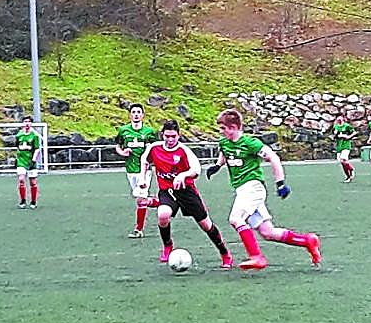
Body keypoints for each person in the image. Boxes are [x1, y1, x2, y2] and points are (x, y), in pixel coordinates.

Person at [206, 109, 321, 270]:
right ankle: (307, 241)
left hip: (253, 187)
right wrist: (217, 166)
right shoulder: (224, 142)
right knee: (268, 232)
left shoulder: (251, 143)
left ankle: (256, 257)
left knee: (236, 219)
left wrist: (280, 182)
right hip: (242, 190)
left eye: (223, 128)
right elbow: (225, 153)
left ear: (233, 127)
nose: (221, 132)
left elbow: (273, 157)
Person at [138, 120, 233, 268]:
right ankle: (168, 245)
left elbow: (196, 169)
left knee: (206, 225)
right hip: (167, 191)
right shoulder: (155, 148)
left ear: (179, 135)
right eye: (167, 136)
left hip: (186, 191)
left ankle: (225, 254)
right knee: (163, 214)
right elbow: (144, 161)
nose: (170, 140)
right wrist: (143, 178)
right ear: (162, 135)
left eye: (173, 136)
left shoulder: (183, 150)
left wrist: (183, 175)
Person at [115, 103, 159, 238]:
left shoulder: (149, 132)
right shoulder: (123, 130)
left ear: (143, 115)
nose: (136, 114)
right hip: (130, 169)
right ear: (130, 115)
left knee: (141, 199)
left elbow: (156, 149)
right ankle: (164, 203)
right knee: (141, 199)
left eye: (138, 112)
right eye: (133, 112)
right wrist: (123, 152)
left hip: (144, 170)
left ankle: (138, 230)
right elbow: (118, 146)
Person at [15, 115, 41, 209]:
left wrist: (34, 159)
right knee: (21, 179)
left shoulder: (34, 135)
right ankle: (23, 200)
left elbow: (37, 149)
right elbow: (17, 146)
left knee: (33, 182)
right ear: (23, 123)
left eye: (29, 122)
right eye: (25, 122)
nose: (27, 124)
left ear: (31, 123)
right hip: (21, 161)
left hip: (31, 161)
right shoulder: (19, 135)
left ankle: (33, 201)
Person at [332, 114, 357, 183]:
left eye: (340, 117)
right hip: (339, 146)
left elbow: (354, 132)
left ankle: (351, 169)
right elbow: (334, 135)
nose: (338, 118)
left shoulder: (347, 126)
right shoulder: (335, 126)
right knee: (342, 163)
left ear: (343, 118)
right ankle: (348, 176)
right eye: (337, 117)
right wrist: (335, 134)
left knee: (343, 160)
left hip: (346, 145)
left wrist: (348, 137)